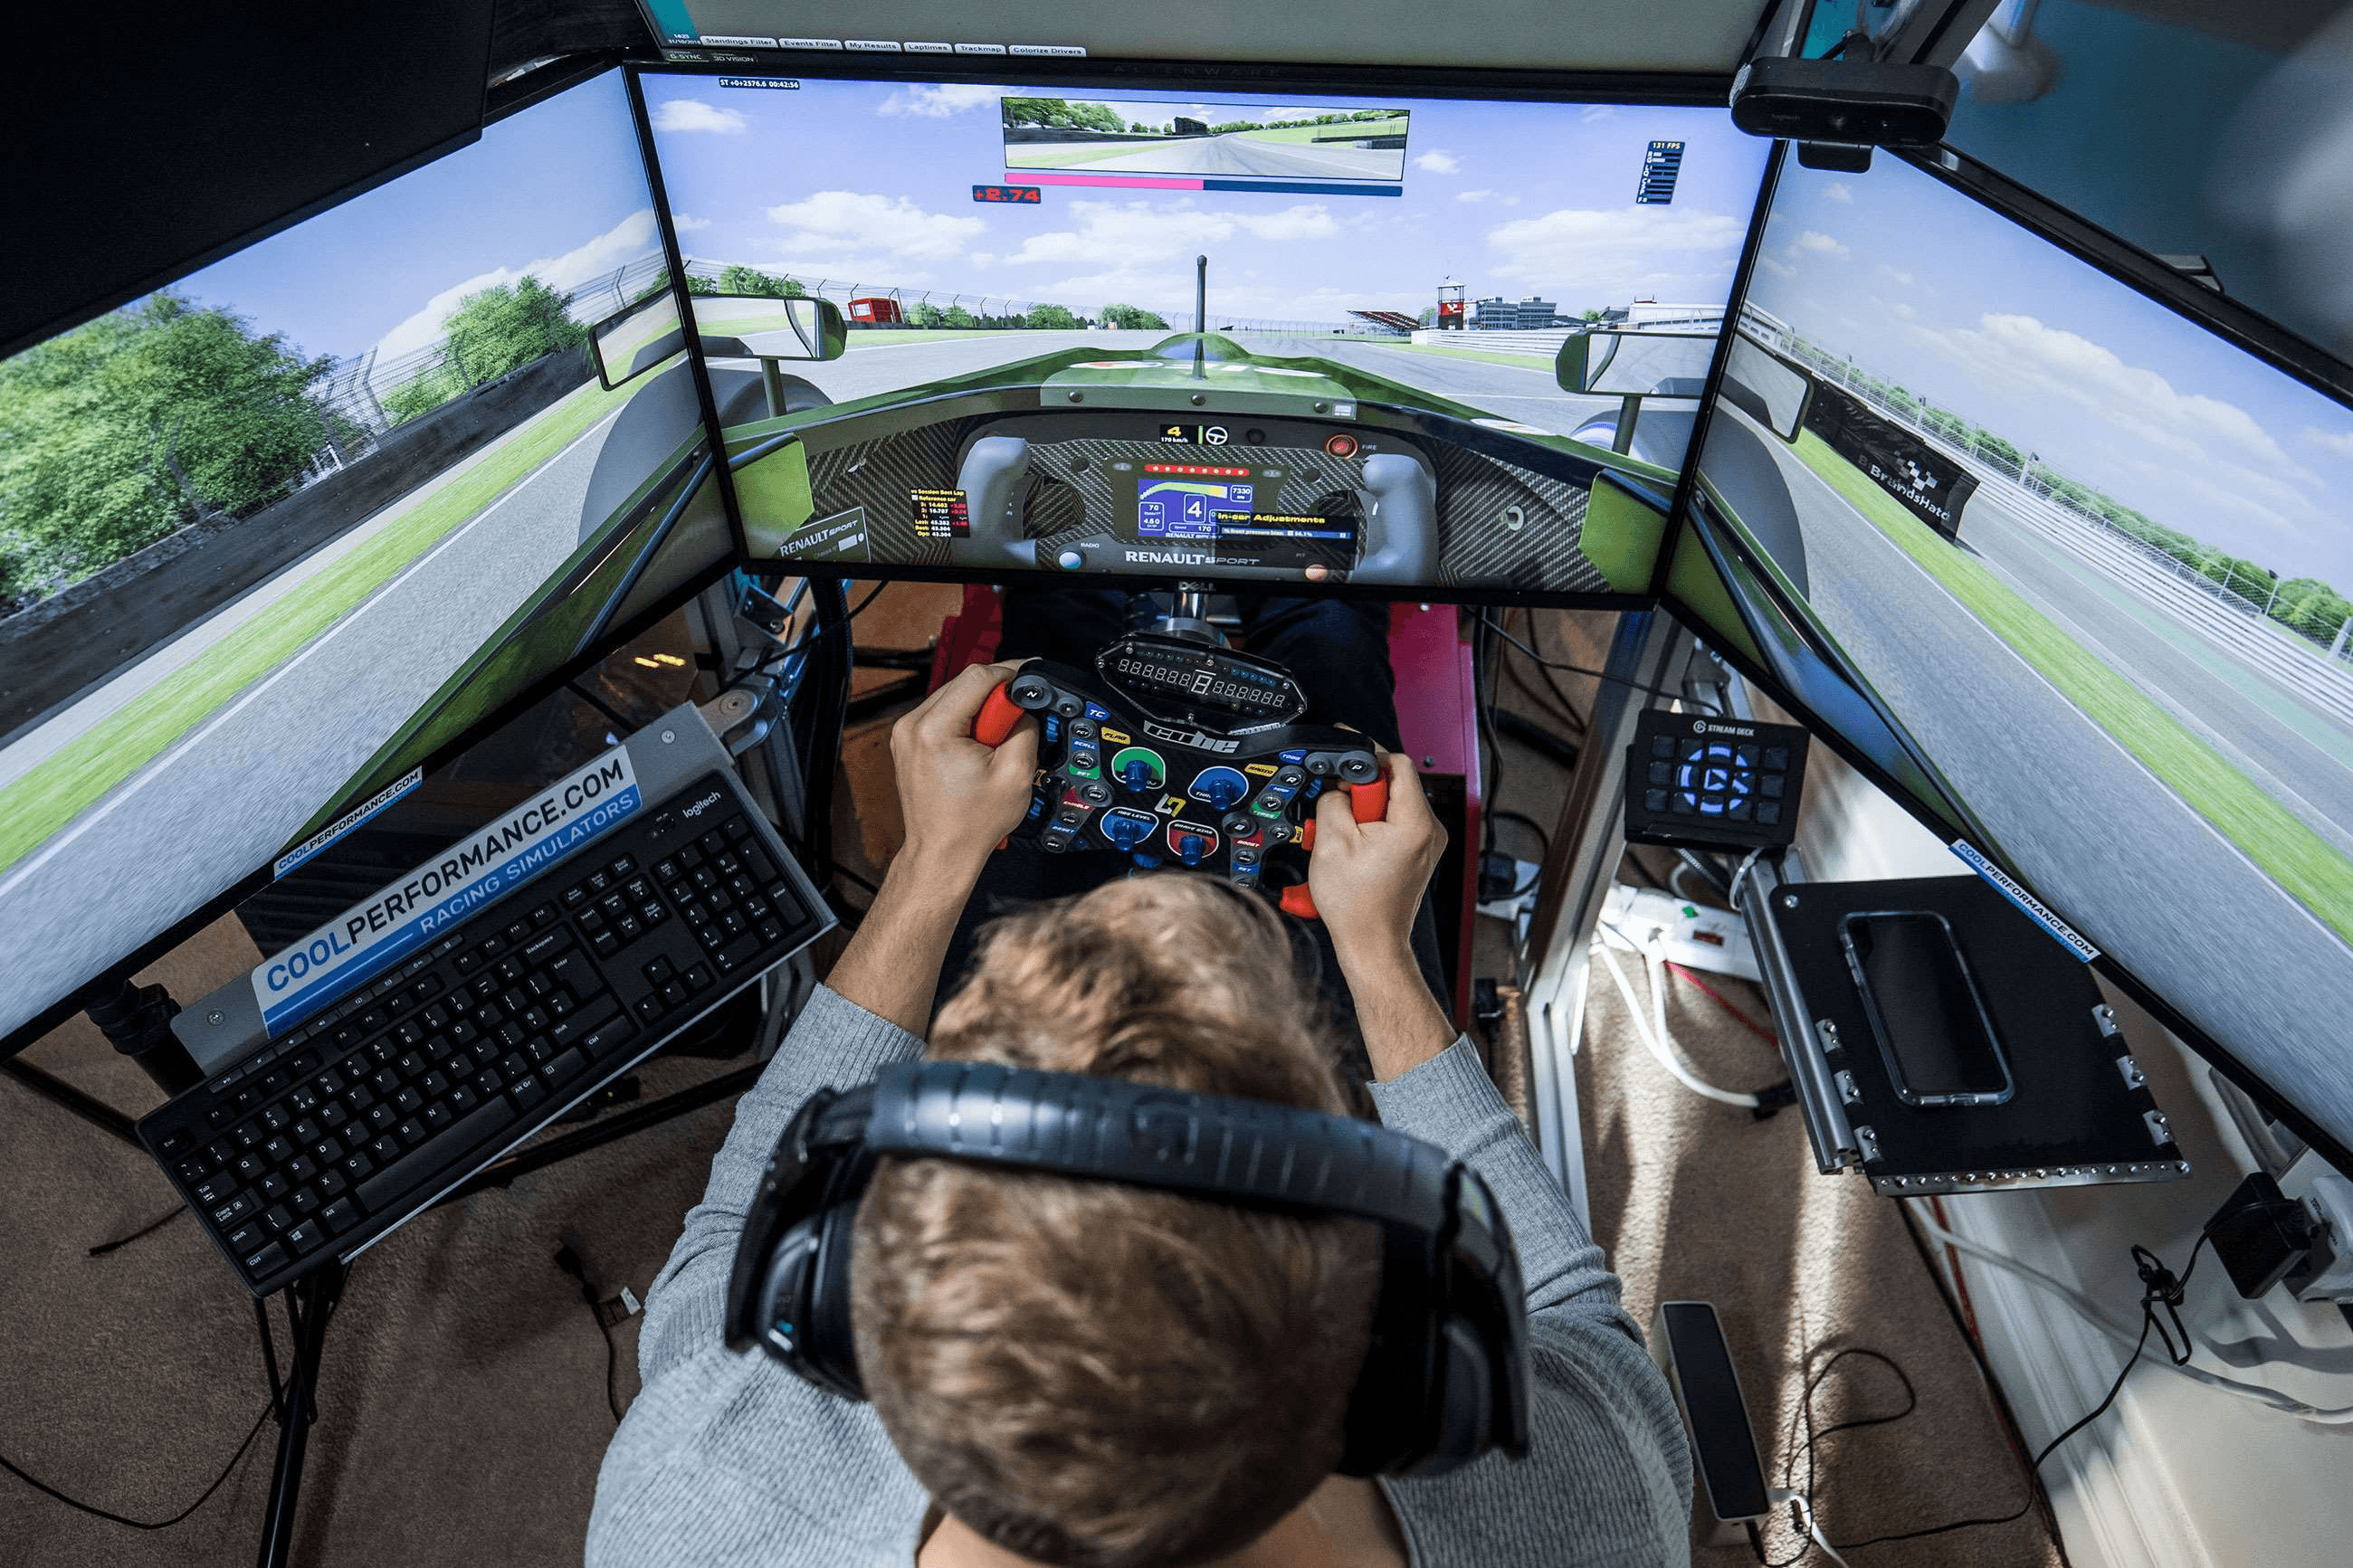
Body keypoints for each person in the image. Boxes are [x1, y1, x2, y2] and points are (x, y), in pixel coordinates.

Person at [587, 643, 1692, 1567]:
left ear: (830, 1301)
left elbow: (723, 1250)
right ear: (1406, 1359)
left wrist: (932, 867)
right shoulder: (1582, 1512)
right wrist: (1379, 958)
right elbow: (1583, 1330)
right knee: (1329, 653)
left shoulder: (696, 1487)